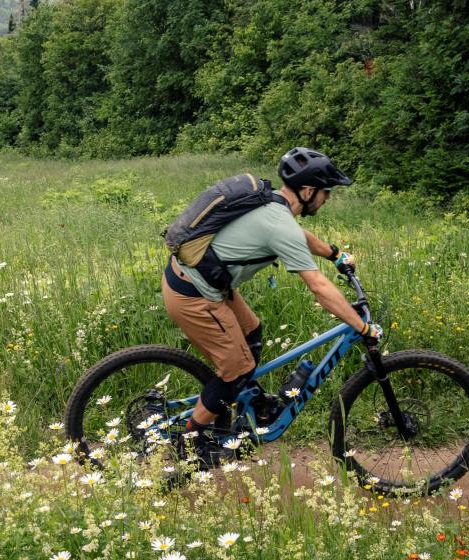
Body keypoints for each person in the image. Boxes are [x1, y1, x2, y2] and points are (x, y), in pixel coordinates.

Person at [161, 146, 381, 466]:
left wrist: (334, 254)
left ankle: (250, 401)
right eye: (325, 192)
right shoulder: (280, 224)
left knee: (253, 331)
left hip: (202, 281)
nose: (327, 198)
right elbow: (319, 287)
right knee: (236, 371)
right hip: (193, 295)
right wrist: (361, 327)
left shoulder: (275, 205)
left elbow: (300, 236)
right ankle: (190, 440)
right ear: (307, 191)